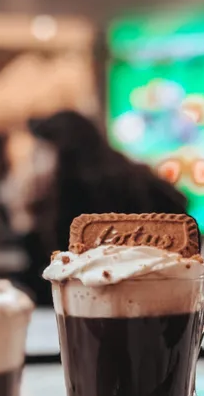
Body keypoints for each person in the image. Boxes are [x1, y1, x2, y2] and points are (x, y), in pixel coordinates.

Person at [25, 110, 188, 274]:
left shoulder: (79, 192)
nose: (35, 160)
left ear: (62, 149)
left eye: (41, 150)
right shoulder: (129, 172)